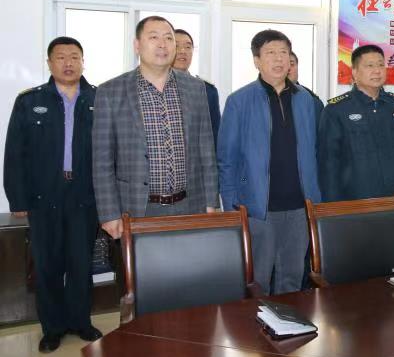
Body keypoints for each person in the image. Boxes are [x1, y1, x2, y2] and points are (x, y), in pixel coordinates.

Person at [3, 37, 101, 352]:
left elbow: (110, 153)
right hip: (43, 197)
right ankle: (52, 329)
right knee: (48, 266)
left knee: (81, 264)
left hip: (85, 196)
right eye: (61, 57)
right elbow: (14, 153)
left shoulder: (99, 99)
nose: (68, 63)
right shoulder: (30, 101)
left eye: (74, 57)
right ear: (49, 63)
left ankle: (81, 322)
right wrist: (17, 199)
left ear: (83, 61)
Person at [93, 16, 219, 241]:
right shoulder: (110, 91)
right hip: (137, 208)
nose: (163, 44)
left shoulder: (195, 88)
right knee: (142, 266)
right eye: (154, 37)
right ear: (137, 45)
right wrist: (109, 213)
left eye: (169, 38)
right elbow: (102, 161)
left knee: (191, 263)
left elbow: (206, 150)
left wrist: (211, 202)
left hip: (190, 205)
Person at [217, 29, 321, 294]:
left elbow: (313, 152)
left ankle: (289, 320)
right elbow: (226, 159)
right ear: (257, 61)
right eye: (271, 53)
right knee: (258, 281)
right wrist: (232, 206)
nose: (279, 59)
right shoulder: (239, 101)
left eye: (284, 52)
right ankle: (256, 323)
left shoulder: (305, 99)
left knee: (292, 279)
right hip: (258, 208)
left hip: (299, 207)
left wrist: (315, 200)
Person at [318, 45, 394, 201]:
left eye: (381, 65)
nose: (377, 71)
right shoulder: (336, 110)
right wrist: (333, 207)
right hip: (355, 202)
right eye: (370, 65)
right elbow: (329, 165)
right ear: (355, 72)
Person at [172, 29, 221, 145]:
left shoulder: (207, 90)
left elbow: (215, 135)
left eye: (188, 47)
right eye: (177, 46)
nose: (183, 51)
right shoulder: (154, 86)